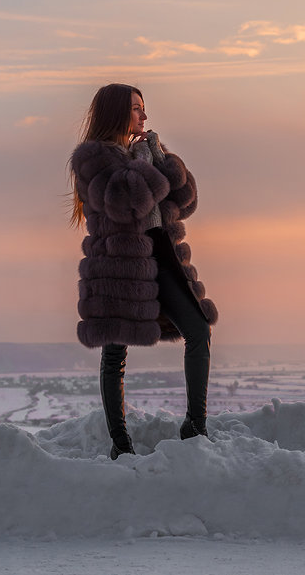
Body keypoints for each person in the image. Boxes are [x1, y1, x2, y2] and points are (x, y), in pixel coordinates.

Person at [69, 83, 219, 458]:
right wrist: (142, 160)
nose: (144, 116)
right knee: (115, 352)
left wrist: (159, 155)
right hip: (117, 268)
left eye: (143, 108)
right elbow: (127, 202)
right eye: (136, 108)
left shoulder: (144, 152)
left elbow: (185, 200)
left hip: (161, 257)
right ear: (117, 113)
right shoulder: (92, 158)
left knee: (198, 330)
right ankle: (121, 444)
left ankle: (195, 427)